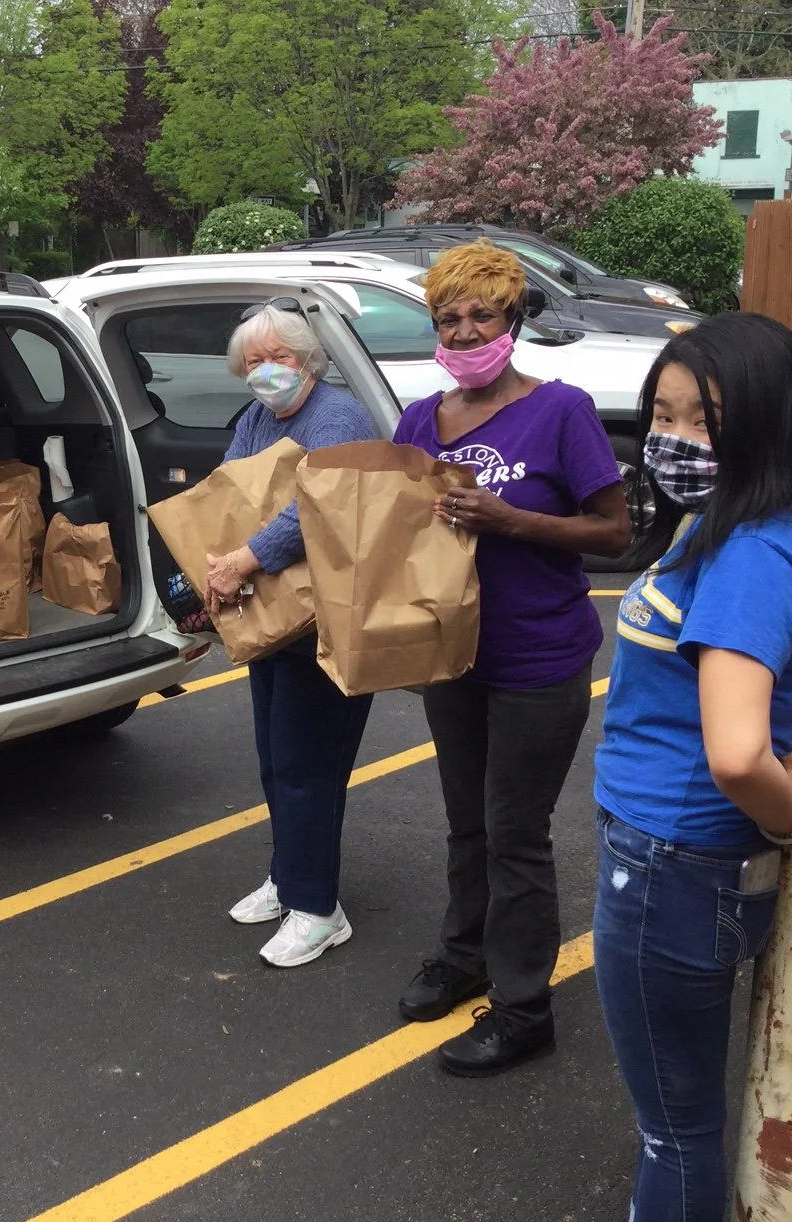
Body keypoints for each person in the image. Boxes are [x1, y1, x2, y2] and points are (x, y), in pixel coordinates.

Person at [592, 313, 792, 1221]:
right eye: (663, 417)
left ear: (769, 423)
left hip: (670, 866)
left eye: (703, 421)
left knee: (676, 1128)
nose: (675, 441)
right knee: (682, 1117)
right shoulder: (729, 523)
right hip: (670, 860)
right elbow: (766, 722)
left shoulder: (752, 552)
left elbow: (739, 752)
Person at [392, 240, 630, 1076]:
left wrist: (511, 520)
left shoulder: (560, 410)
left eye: (481, 315)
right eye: (449, 318)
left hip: (539, 656)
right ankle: (465, 956)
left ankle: (525, 1006)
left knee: (516, 833)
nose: (464, 332)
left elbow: (614, 531)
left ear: (513, 320)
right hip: (452, 651)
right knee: (467, 822)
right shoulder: (420, 420)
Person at [211, 300, 377, 968]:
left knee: (310, 765)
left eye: (279, 357)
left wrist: (245, 558)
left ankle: (318, 908)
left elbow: (318, 507)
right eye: (254, 361)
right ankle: (289, 876)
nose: (266, 371)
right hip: (275, 617)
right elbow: (230, 490)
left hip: (326, 617)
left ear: (308, 359)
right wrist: (220, 557)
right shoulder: (256, 416)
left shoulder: (338, 417)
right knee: (277, 758)